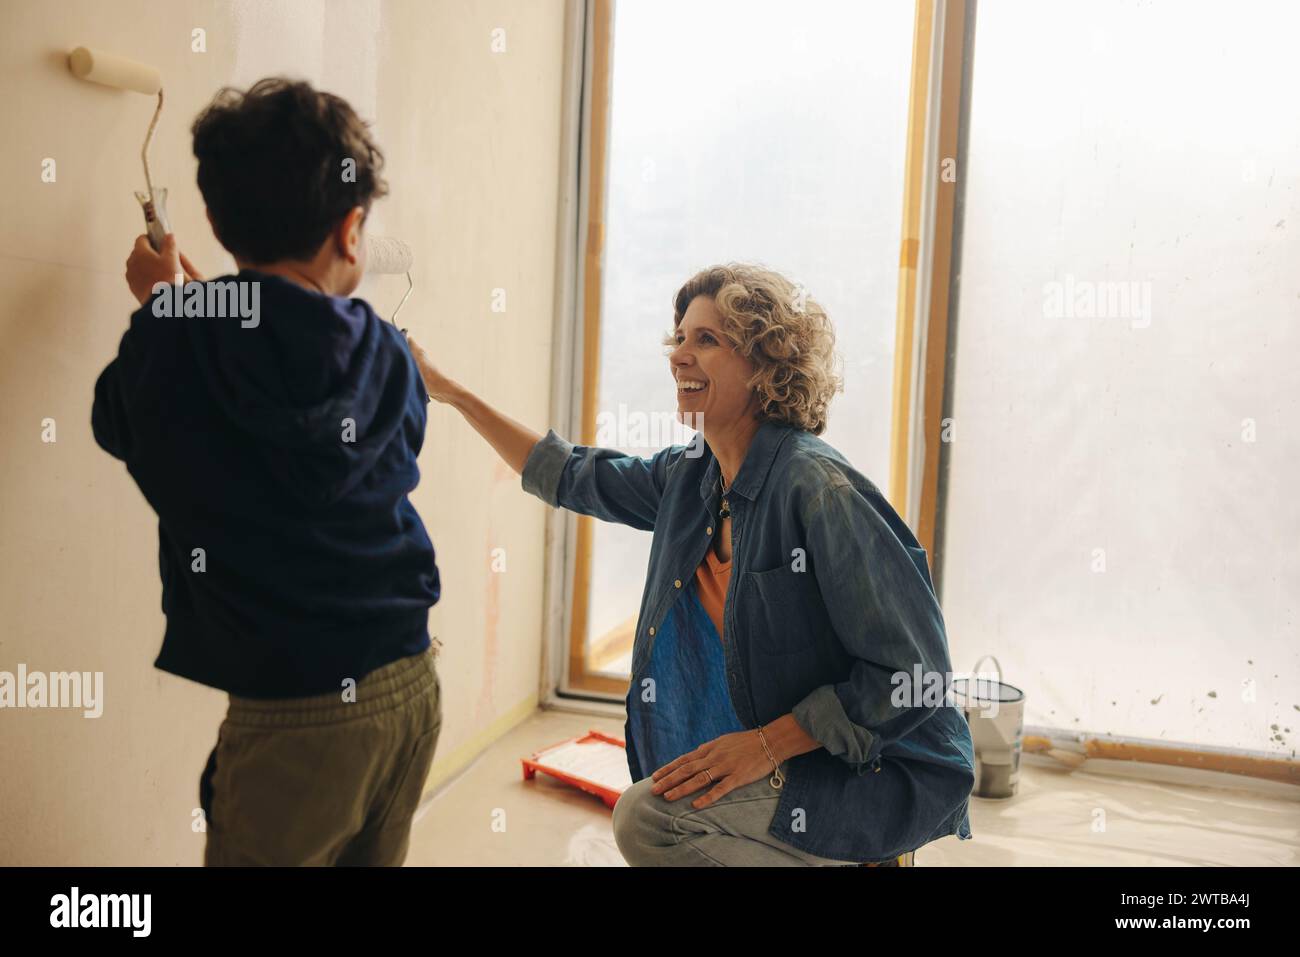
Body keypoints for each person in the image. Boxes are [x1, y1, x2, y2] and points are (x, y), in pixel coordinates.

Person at [405, 263, 974, 866]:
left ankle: (867, 857)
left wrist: (764, 745)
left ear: (765, 366)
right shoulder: (693, 477)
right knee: (661, 804)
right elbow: (571, 474)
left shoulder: (819, 488)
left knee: (651, 820)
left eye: (706, 340)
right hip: (794, 757)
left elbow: (919, 675)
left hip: (869, 769)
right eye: (678, 338)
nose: (679, 355)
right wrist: (451, 392)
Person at [92, 78, 441, 866]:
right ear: (351, 231)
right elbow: (365, 425)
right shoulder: (383, 347)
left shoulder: (179, 346)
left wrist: (164, 309)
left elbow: (121, 422)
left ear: (213, 223)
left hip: (294, 709)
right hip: (409, 677)